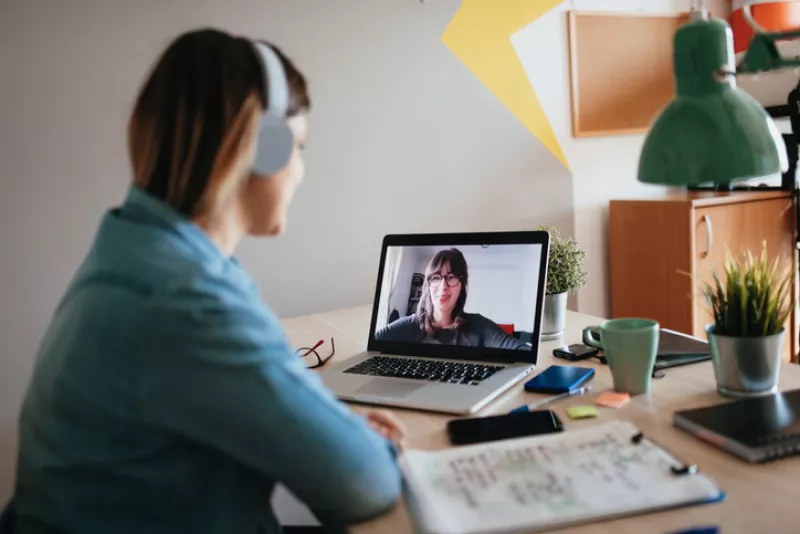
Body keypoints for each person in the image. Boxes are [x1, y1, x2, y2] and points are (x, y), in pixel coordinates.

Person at [9, 28, 406, 534]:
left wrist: (331, 427)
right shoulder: (184, 298)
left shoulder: (135, 248)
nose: (301, 172)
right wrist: (370, 446)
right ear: (261, 148)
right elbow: (364, 484)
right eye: (298, 148)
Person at [375, 248, 530, 349]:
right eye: (436, 278)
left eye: (451, 277)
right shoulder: (409, 326)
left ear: (462, 285)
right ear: (428, 284)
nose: (443, 286)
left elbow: (521, 350)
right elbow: (372, 346)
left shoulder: (479, 326)